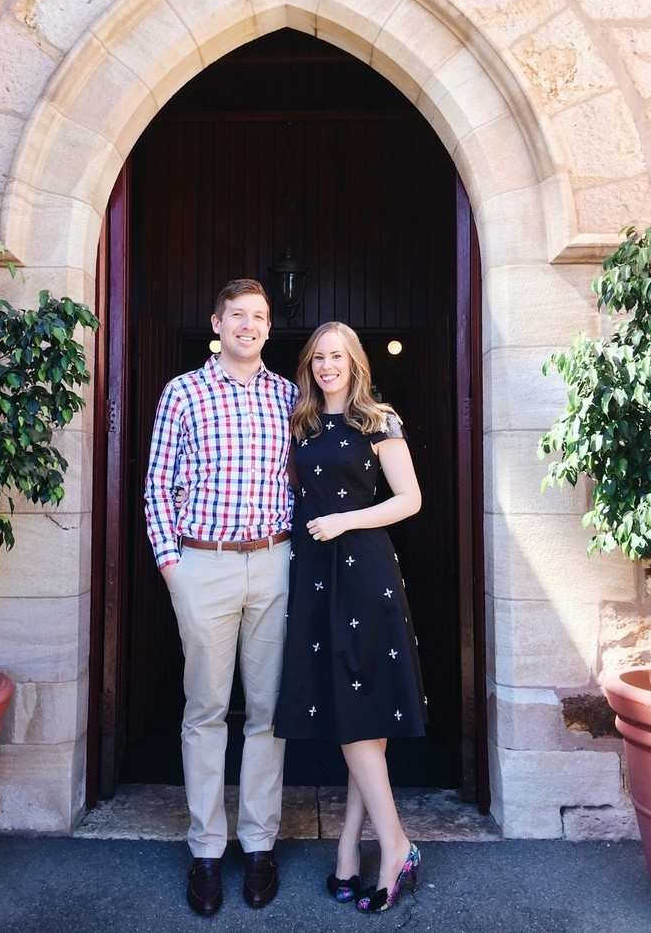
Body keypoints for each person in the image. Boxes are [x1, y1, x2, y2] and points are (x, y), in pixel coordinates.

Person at [144, 278, 297, 917]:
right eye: (238, 315)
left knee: (267, 711)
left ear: (267, 326)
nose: (249, 325)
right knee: (206, 707)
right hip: (201, 565)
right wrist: (173, 566)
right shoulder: (183, 392)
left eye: (259, 316)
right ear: (217, 321)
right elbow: (157, 483)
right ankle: (207, 849)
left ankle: (259, 844)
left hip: (274, 562)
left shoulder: (290, 396)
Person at [274, 321, 426, 914]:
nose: (327, 366)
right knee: (351, 707)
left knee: (359, 706)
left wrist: (346, 521)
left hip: (363, 573)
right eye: (318, 357)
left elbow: (409, 499)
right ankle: (347, 846)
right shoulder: (303, 422)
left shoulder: (378, 419)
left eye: (337, 356)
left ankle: (393, 847)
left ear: (355, 363)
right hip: (314, 573)